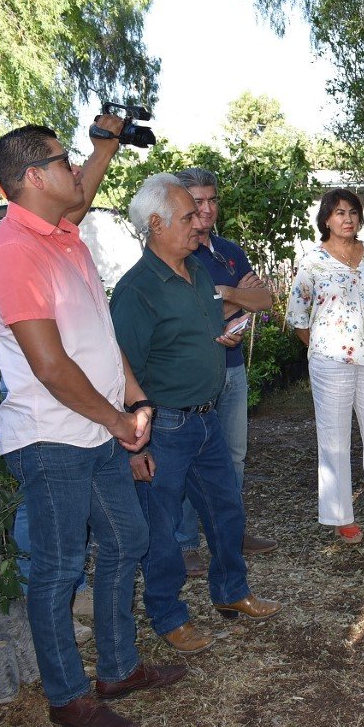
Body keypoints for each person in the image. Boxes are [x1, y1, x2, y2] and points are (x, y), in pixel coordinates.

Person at [0, 123, 186, 727]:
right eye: (65, 162)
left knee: (127, 539)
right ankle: (67, 698)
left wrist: (134, 399)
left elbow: (99, 337)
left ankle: (117, 668)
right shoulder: (12, 252)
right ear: (34, 177)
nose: (78, 173)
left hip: (93, 432)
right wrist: (122, 422)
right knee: (59, 568)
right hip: (50, 441)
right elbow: (50, 366)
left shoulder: (65, 237)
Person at [110, 174, 282, 655]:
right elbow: (121, 367)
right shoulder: (137, 290)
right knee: (161, 527)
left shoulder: (198, 272)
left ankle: (231, 593)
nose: (198, 224)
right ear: (157, 224)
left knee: (226, 510)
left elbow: (209, 325)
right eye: (188, 216)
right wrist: (133, 442)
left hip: (207, 418)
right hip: (165, 425)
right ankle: (168, 615)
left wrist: (224, 334)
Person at [172, 167, 277, 575]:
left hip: (232, 370)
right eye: (197, 201)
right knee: (185, 459)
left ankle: (229, 533)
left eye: (212, 199)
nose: (207, 209)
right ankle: (184, 545)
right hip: (193, 374)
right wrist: (235, 302)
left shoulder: (229, 251)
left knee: (234, 456)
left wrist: (228, 295)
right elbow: (191, 318)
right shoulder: (176, 251)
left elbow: (265, 300)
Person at [286, 188, 364, 544]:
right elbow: (298, 316)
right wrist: (324, 348)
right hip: (330, 363)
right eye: (338, 213)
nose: (346, 218)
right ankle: (340, 516)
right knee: (334, 440)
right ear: (326, 220)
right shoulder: (313, 260)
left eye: (351, 212)